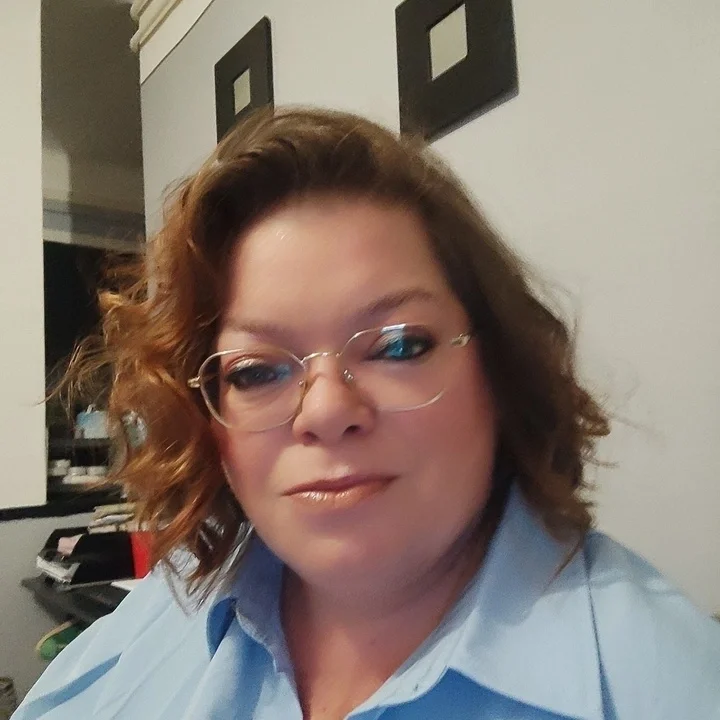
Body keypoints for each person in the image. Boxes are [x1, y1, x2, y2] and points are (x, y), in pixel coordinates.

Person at [15, 108, 720, 720]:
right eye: (256, 371)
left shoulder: (665, 684)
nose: (326, 411)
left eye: (400, 346)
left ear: (498, 372)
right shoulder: (165, 608)